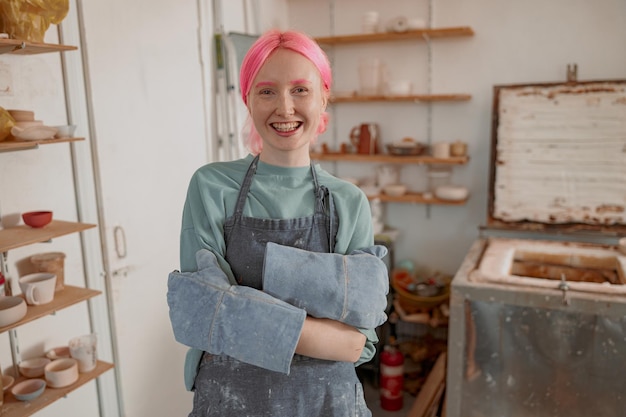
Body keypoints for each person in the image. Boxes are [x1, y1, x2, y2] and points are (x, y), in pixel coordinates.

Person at [167, 29, 390, 417]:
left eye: (300, 90)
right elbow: (201, 312)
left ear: (323, 98)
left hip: (327, 405)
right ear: (248, 100)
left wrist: (241, 314)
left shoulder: (348, 201)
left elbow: (358, 343)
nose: (284, 108)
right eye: (267, 91)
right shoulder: (211, 186)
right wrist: (321, 331)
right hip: (230, 402)